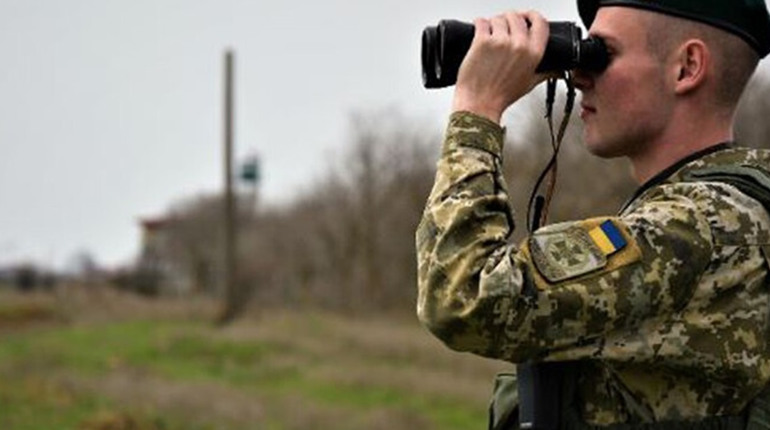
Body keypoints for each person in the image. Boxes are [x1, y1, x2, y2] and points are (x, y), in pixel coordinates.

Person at [416, 0, 770, 427]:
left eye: (604, 54)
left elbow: (464, 296)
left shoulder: (698, 229)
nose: (580, 75)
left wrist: (478, 108)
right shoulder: (731, 214)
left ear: (687, 67)